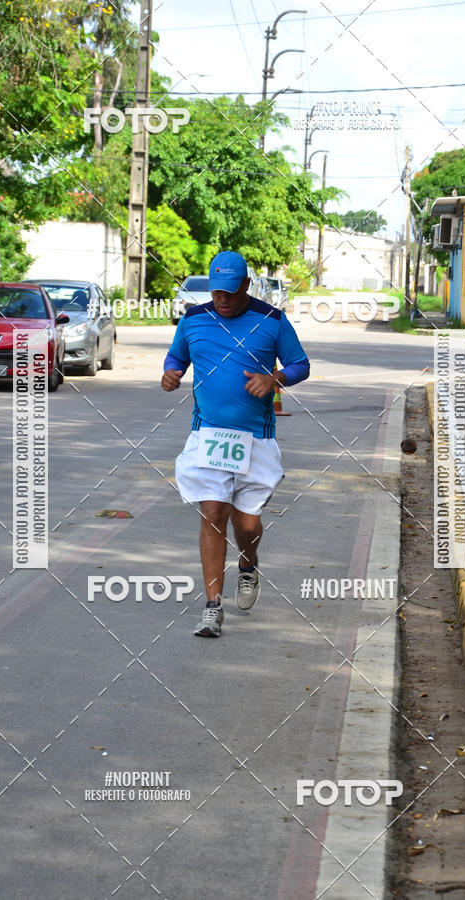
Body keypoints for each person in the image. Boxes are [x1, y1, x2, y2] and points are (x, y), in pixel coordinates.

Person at [161, 251, 310, 637]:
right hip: (208, 434)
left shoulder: (271, 321)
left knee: (247, 522)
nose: (223, 300)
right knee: (213, 511)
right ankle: (212, 607)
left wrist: (275, 378)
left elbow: (300, 364)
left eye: (230, 292)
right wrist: (171, 373)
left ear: (246, 285)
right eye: (216, 293)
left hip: (255, 438)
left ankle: (248, 563)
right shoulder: (194, 319)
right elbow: (176, 355)